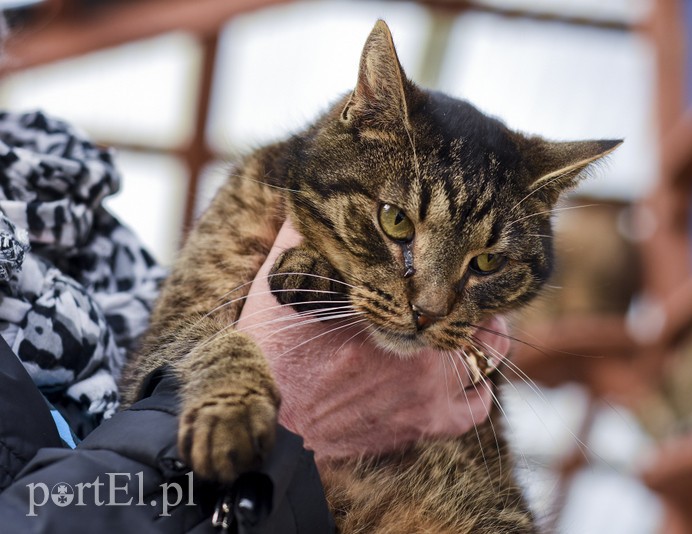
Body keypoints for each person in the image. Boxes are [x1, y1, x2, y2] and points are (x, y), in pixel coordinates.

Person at [0, 109, 510, 532]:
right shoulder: (261, 195)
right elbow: (165, 369)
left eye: (484, 262)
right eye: (398, 221)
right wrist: (281, 411)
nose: (430, 305)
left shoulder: (99, 244)